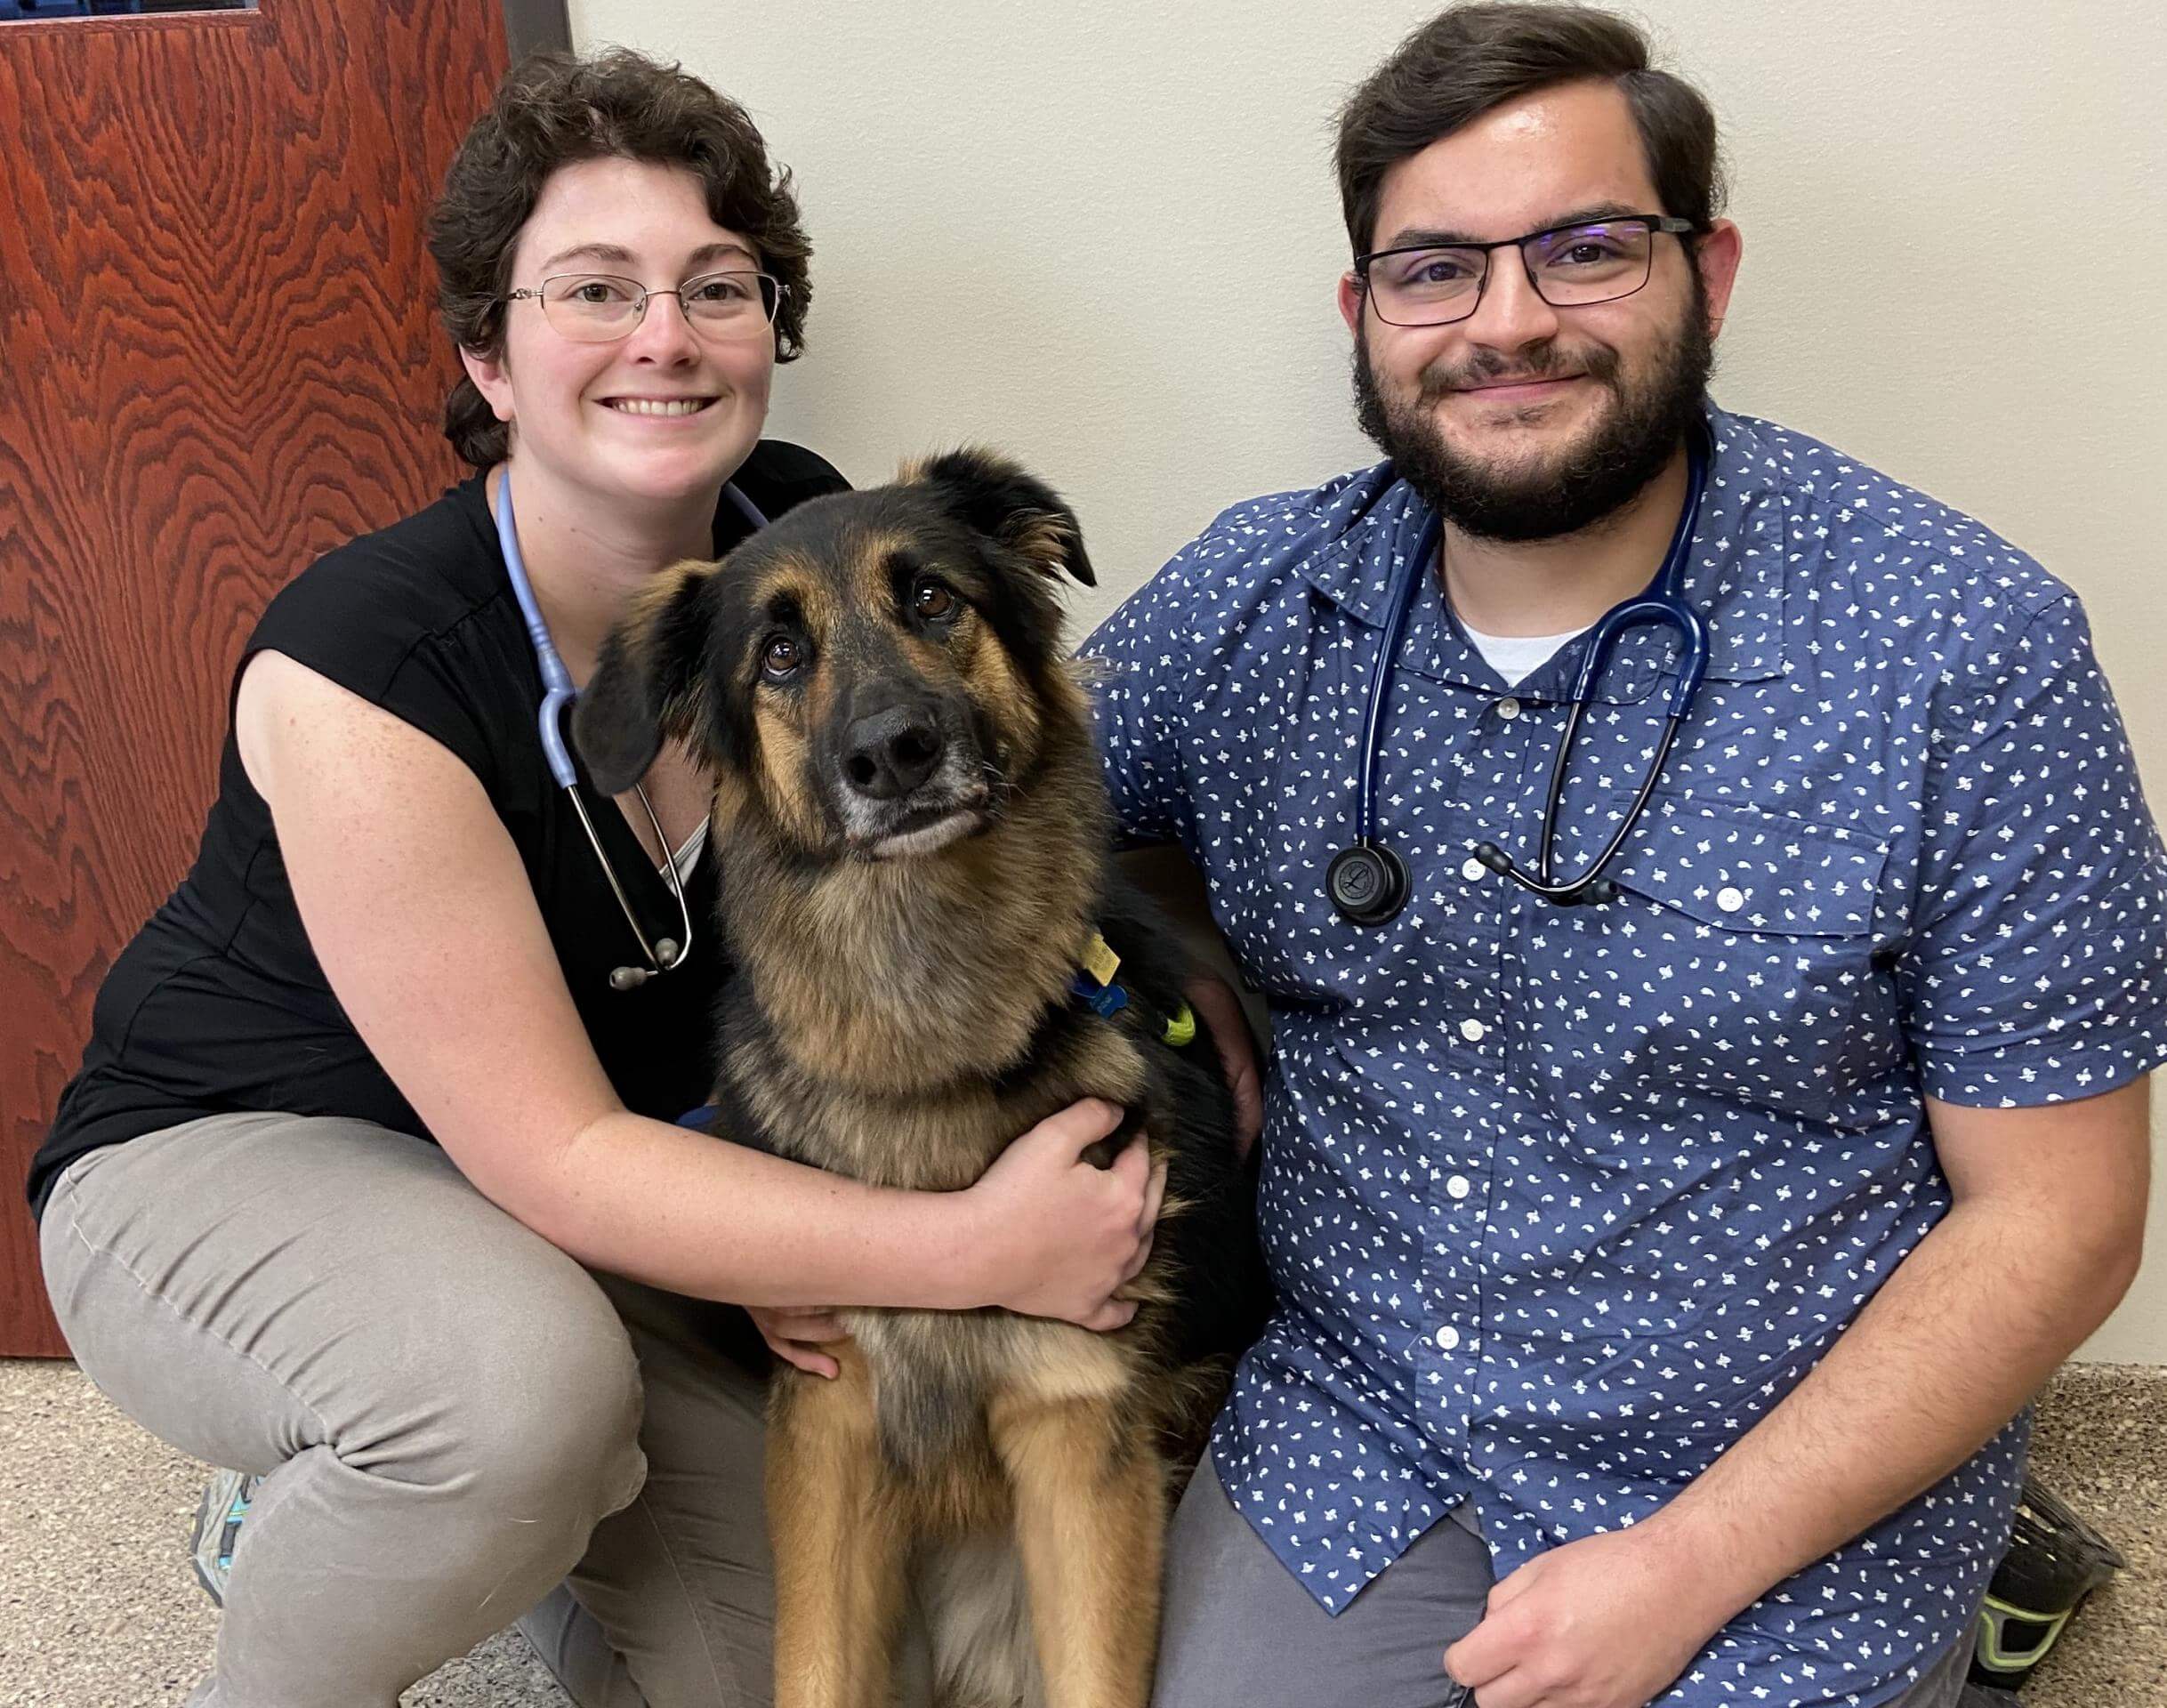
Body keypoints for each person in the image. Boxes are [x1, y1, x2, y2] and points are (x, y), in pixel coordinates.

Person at [29, 49, 1172, 1708]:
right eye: (595, 289)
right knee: (510, 1407)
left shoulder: (812, 544)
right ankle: (320, 1513)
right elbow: (555, 1152)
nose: (665, 336)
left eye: (716, 284)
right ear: (489, 354)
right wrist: (946, 1252)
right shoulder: (365, 672)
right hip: (256, 1149)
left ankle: (520, 1532)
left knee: (825, 1648)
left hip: (598, 1185)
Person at [1084, 6, 2165, 1706]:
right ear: (1365, 316)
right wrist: (1164, 971)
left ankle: (1981, 1547)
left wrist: (1687, 1568)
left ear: (1708, 272)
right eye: (1435, 269)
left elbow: (2065, 1219)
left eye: (1585, 251)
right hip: (1363, 1439)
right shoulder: (1251, 603)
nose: (1508, 322)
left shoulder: (1964, 647)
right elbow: (975, 818)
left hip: (1778, 1484)